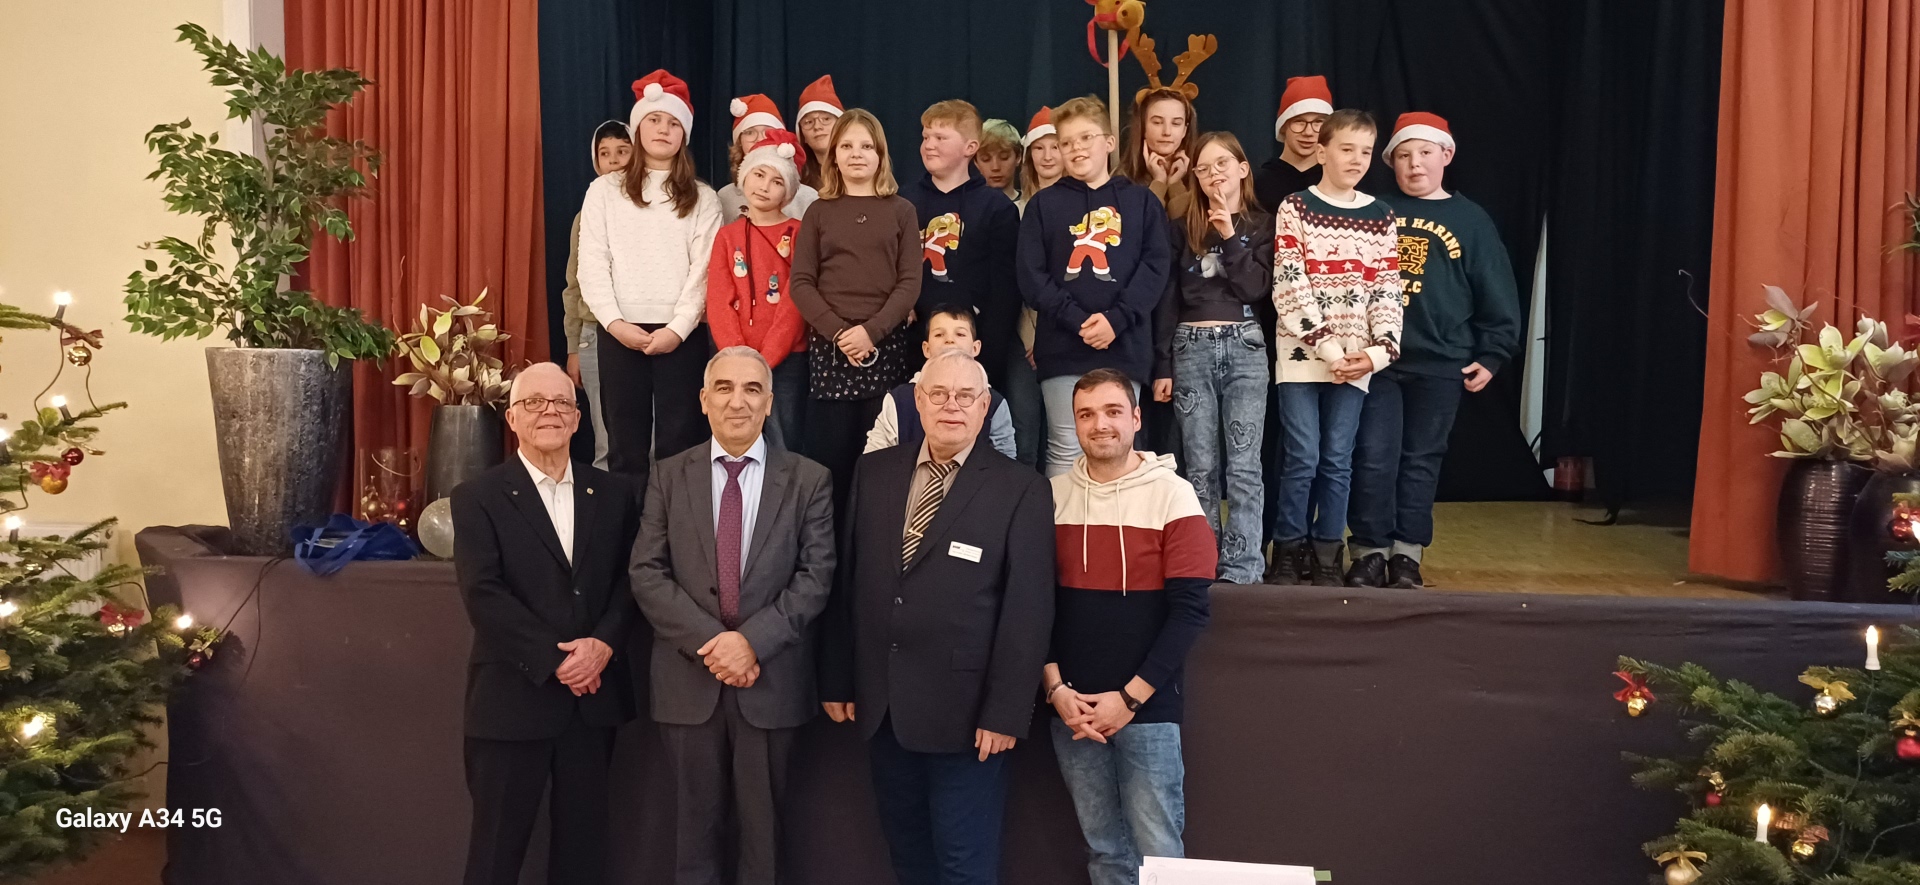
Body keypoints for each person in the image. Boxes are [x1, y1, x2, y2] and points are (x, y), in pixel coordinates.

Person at [819, 351, 1055, 885]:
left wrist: (1005, 711)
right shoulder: (874, 472)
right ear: (918, 402)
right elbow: (849, 579)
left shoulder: (1021, 488)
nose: (952, 406)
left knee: (963, 866)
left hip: (968, 720)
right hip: (882, 708)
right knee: (908, 860)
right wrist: (838, 676)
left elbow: (1029, 609)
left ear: (985, 406)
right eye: (939, 394)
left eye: (965, 396)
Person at [631, 347, 836, 885]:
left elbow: (816, 577)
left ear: (769, 402)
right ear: (703, 400)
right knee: (692, 841)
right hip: (687, 686)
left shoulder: (809, 480)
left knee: (764, 845)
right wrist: (716, 644)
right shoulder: (667, 475)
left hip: (771, 683)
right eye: (723, 388)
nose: (737, 401)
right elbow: (647, 573)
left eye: (751, 389)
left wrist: (751, 644)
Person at [452, 363, 640, 885]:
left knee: (583, 856)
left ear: (578, 419)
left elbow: (631, 581)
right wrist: (558, 661)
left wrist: (602, 645)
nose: (549, 412)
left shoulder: (615, 494)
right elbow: (483, 593)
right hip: (511, 700)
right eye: (534, 402)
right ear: (512, 418)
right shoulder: (477, 496)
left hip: (592, 703)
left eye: (561, 403)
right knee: (494, 855)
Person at [1045, 369, 1213, 885]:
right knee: (1104, 853)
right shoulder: (1049, 497)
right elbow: (1032, 606)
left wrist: (1130, 699)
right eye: (1086, 414)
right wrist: (1055, 689)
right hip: (1073, 712)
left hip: (1148, 710)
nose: (1100, 424)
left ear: (1137, 419)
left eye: (1113, 411)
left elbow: (1190, 612)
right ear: (1074, 424)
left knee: (1159, 855)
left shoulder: (1175, 496)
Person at [1347, 113, 1520, 589]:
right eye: (1403, 155)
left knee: (1421, 458)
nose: (1415, 164)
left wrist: (1494, 353)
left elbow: (1496, 290)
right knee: (1374, 456)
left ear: (1447, 155)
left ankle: (1407, 553)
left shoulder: (1471, 220)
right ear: (1390, 163)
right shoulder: (1375, 210)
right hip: (1379, 360)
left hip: (1442, 362)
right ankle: (1369, 550)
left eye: (1424, 153)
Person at [1266, 109, 1403, 586]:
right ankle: (1288, 548)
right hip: (1303, 358)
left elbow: (1388, 291)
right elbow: (1289, 286)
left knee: (1337, 460)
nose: (1357, 159)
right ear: (1322, 152)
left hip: (1357, 361)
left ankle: (1327, 552)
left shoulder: (1380, 216)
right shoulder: (1296, 207)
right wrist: (1328, 349)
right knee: (1302, 456)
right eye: (1347, 149)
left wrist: (1377, 354)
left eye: (1366, 151)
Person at [578, 69, 723, 493]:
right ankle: (627, 532)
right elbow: (592, 263)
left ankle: (678, 530)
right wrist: (614, 323)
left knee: (681, 443)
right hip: (620, 332)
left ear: (684, 135)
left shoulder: (703, 197)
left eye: (674, 123)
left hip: (681, 335)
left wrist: (677, 329)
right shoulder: (604, 191)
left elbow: (704, 271)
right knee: (625, 446)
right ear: (638, 127)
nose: (663, 129)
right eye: (655, 120)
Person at [1018, 96, 1172, 478]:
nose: (1076, 149)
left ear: (1109, 142)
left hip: (1124, 346)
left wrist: (1116, 320)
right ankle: (1065, 520)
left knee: (1120, 446)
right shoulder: (1043, 206)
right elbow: (1032, 277)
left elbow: (1155, 269)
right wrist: (1078, 321)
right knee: (1066, 445)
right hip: (1063, 349)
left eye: (1086, 138)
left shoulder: (1141, 202)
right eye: (1066, 142)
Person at [1152, 132, 1273, 584]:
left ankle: (1242, 568)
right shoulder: (1181, 227)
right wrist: (1163, 363)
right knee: (1199, 467)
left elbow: (1256, 288)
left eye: (1222, 164)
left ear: (1242, 169)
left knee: (1244, 466)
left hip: (1245, 345)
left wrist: (1228, 234)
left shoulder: (1262, 224)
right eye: (1203, 169)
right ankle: (1203, 561)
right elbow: (1167, 300)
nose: (1213, 174)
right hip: (1192, 345)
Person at [787, 108, 922, 512]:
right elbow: (801, 283)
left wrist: (871, 332)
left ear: (880, 155)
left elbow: (909, 284)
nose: (857, 154)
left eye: (866, 146)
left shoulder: (901, 210)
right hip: (831, 349)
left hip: (885, 345)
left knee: (881, 464)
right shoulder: (819, 211)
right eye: (846, 146)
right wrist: (840, 333)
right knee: (831, 465)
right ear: (833, 155)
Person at [905, 99, 1021, 388]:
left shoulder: (997, 208)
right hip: (912, 346)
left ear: (970, 147)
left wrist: (987, 354)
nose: (929, 145)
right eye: (926, 137)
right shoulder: (903, 202)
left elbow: (1004, 292)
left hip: (976, 349)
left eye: (940, 138)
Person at [707, 130, 811, 452]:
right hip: (734, 359)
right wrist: (738, 358)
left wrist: (765, 359)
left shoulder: (799, 233)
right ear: (744, 176)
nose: (765, 186)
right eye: (759, 174)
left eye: (777, 181)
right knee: (736, 436)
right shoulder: (727, 236)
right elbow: (719, 300)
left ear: (788, 192)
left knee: (784, 439)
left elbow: (795, 301)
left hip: (786, 359)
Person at [562, 120, 632, 470]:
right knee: (606, 438)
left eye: (622, 151)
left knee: (647, 438)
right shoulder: (585, 216)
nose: (614, 160)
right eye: (605, 154)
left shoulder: (653, 211)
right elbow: (573, 285)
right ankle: (607, 502)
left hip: (643, 331)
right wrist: (574, 347)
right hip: (594, 333)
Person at [865, 304, 1018, 459]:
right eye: (939, 335)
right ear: (926, 349)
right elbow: (874, 460)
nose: (949, 340)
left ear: (975, 348)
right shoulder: (899, 400)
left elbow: (1007, 464)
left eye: (960, 334)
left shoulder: (994, 403)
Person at [1005, 106, 1064, 468]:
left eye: (1055, 147)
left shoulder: (1081, 209)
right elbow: (1018, 280)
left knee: (1064, 435)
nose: (1047, 156)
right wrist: (1032, 338)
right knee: (1023, 434)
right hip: (1023, 337)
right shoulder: (1014, 210)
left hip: (1066, 334)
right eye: (1039, 148)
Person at [717, 94, 819, 222]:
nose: (759, 139)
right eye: (749, 132)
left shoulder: (808, 198)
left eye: (767, 132)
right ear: (739, 142)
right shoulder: (725, 197)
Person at [1117, 88, 1198, 222]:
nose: (1167, 132)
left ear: (1185, 130)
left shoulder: (1200, 175)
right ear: (1143, 127)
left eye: (1176, 123)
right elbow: (1138, 228)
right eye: (1157, 122)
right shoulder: (1122, 179)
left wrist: (1175, 185)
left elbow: (1190, 230)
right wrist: (1158, 183)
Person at [1251, 75, 1331, 211]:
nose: (1308, 132)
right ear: (1283, 126)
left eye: (1318, 122)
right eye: (1299, 121)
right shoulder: (1259, 183)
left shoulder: (1335, 179)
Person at [794, 75, 844, 190]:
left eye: (826, 119)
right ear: (803, 136)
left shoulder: (861, 169)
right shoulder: (796, 181)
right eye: (808, 122)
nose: (817, 127)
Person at [976, 118, 1022, 200]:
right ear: (976, 162)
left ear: (1018, 157)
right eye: (985, 159)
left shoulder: (1034, 204)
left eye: (1004, 157)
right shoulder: (966, 205)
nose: (995, 167)